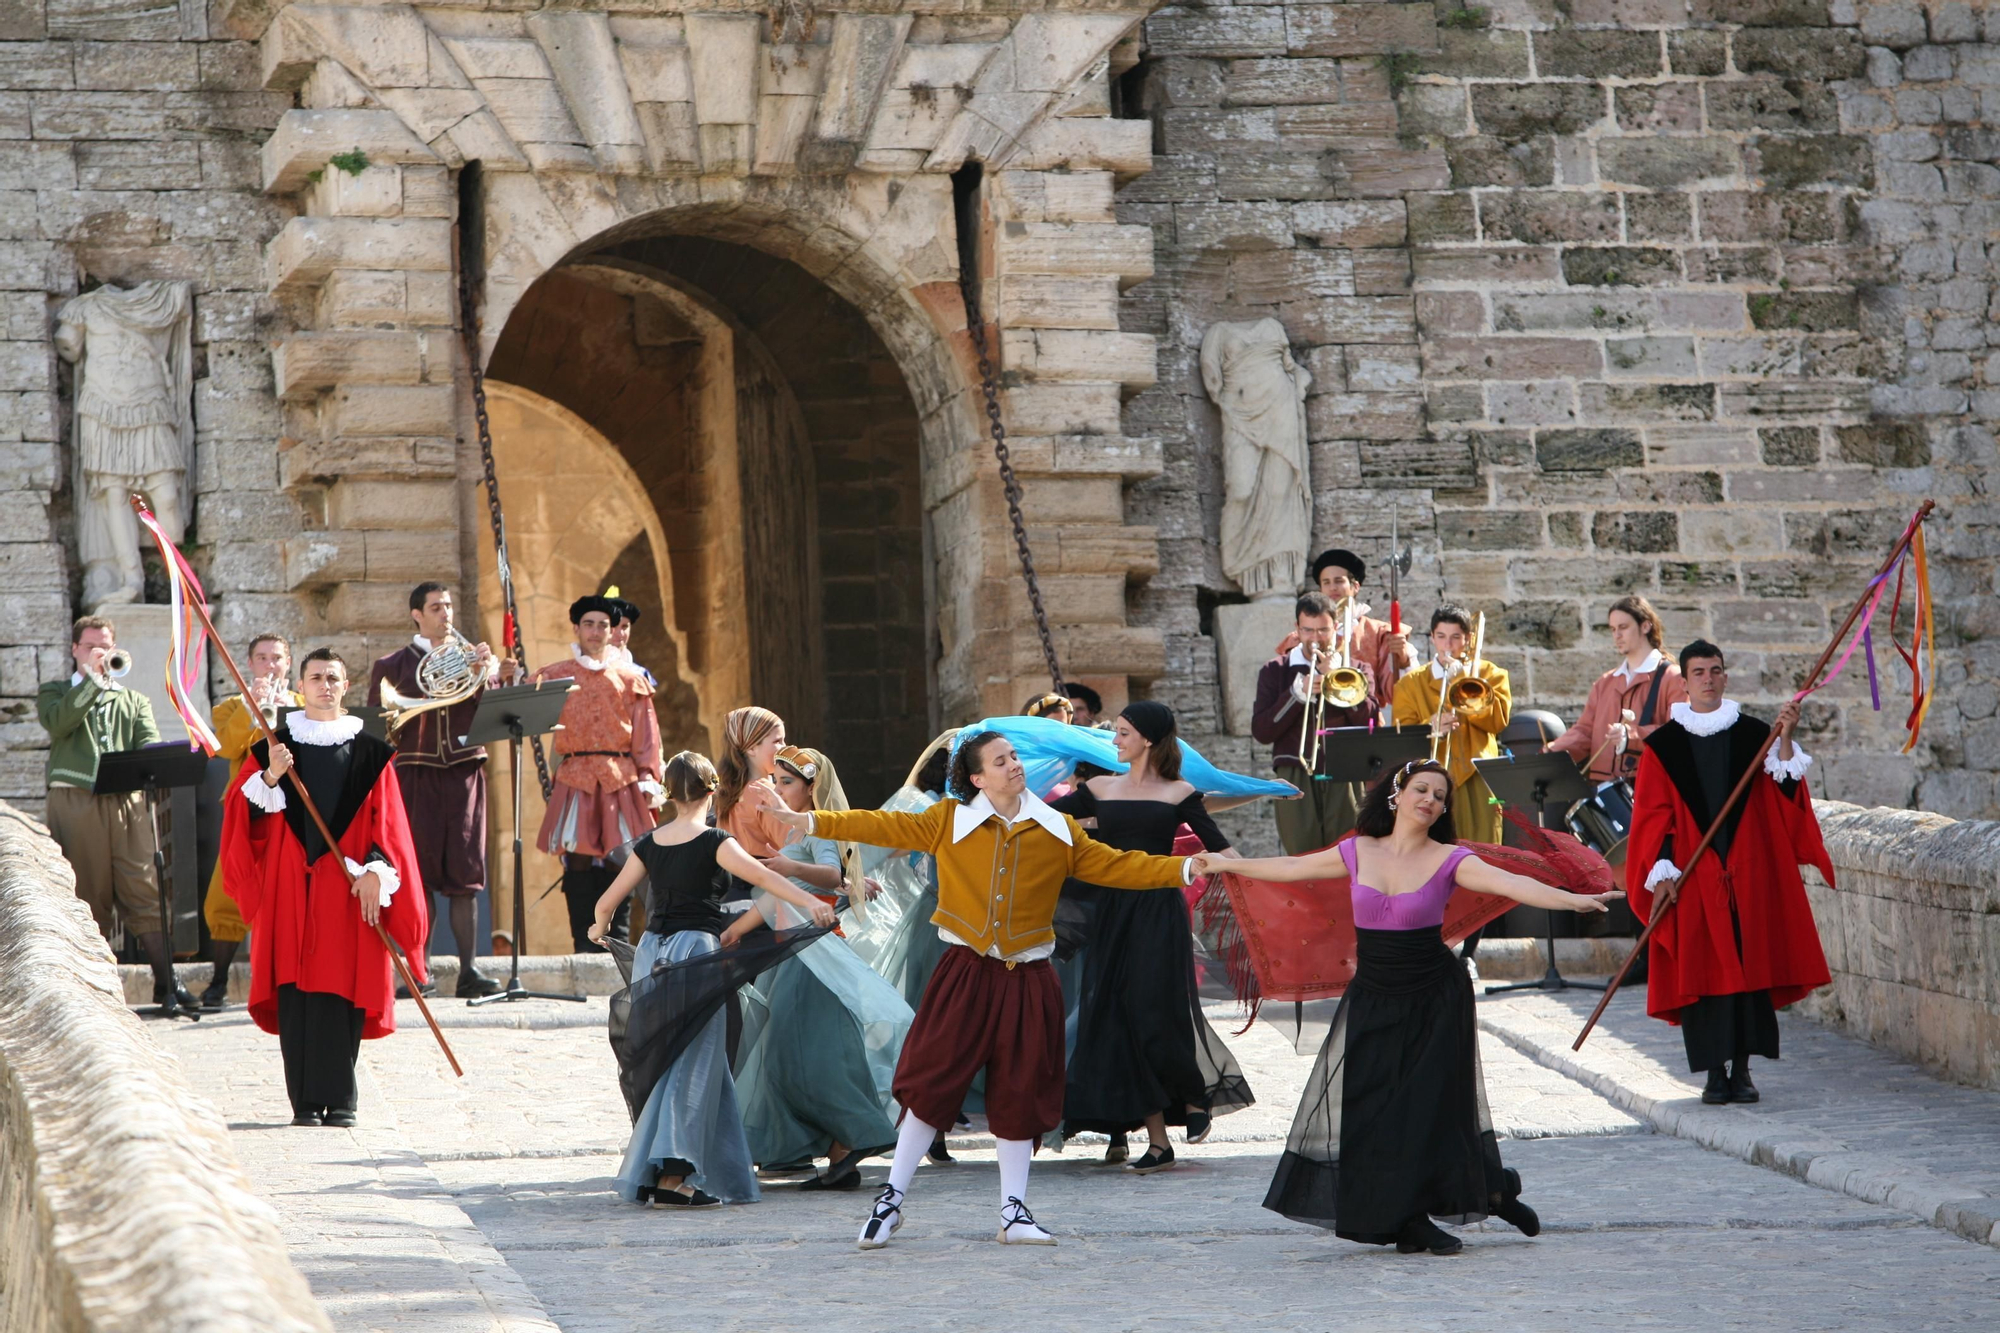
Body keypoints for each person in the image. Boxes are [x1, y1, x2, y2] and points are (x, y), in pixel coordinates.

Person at [764, 730, 1202, 1250]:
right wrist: (809, 819)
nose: (1014, 764)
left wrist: (1185, 866)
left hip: (1030, 978)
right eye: (1001, 760)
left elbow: (1118, 865)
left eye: (1014, 756)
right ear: (977, 778)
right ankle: (891, 1201)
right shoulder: (948, 821)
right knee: (930, 1084)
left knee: (1019, 1091)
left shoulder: (1057, 829)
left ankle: (1013, 1212)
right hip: (965, 972)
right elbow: (882, 824)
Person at [1192, 760, 1616, 1254]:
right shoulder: (1356, 851)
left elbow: (1513, 885)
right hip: (1374, 993)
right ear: (1397, 794)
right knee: (1372, 1106)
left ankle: (1415, 1219)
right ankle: (1496, 1190)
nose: (1430, 801)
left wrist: (1573, 902)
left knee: (1428, 1106)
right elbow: (1290, 868)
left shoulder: (1451, 859)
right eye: (1421, 789)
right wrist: (1228, 864)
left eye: (1439, 796)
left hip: (1436, 994)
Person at [588, 751, 836, 1209]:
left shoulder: (649, 843)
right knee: (697, 1061)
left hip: (652, 955)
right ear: (711, 791)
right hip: (694, 955)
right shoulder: (715, 841)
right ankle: (674, 1176)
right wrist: (812, 902)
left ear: (668, 793)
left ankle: (661, 1168)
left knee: (665, 1059)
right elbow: (763, 876)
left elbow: (606, 905)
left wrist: (598, 931)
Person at [220, 649, 429, 1127]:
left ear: (346, 684)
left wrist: (377, 872)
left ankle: (342, 1100)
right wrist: (271, 776)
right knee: (296, 992)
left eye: (333, 677)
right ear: (302, 684)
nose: (325, 685)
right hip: (289, 887)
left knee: (341, 988)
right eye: (315, 678)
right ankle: (305, 1104)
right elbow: (240, 816)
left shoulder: (371, 754)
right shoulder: (275, 748)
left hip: (346, 887)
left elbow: (389, 827)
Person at [1626, 640, 1833, 1106]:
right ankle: (1714, 1074)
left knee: (1748, 969)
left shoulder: (1753, 734)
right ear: (1684, 680)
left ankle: (1743, 1071)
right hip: (1695, 875)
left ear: (1725, 676)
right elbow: (1654, 814)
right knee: (1704, 973)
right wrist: (1661, 870)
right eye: (1698, 671)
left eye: (1715, 670)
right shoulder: (1663, 746)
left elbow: (1782, 793)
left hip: (1747, 870)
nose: (1708, 679)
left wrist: (1783, 739)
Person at [1049, 702, 1252, 1173]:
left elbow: (1219, 846)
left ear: (1147, 739)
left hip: (1159, 912)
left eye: (1122, 733)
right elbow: (1041, 821)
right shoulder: (1097, 788)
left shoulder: (1180, 791)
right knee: (1121, 1017)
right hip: (1113, 911)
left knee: (1156, 1010)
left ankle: (1192, 1097)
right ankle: (1158, 1140)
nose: (1114, 741)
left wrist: (1266, 879)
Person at [735, 746, 912, 1188]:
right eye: (776, 780)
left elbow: (831, 876)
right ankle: (835, 1147)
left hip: (814, 954)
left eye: (787, 782)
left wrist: (792, 867)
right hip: (793, 953)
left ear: (812, 787)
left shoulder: (816, 833)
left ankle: (852, 1138)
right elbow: (779, 894)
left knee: (809, 1053)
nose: (778, 789)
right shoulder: (797, 838)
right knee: (792, 1052)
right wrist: (735, 931)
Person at [37, 614, 193, 1017]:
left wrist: (157, 755)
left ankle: (167, 982)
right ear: (75, 650)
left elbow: (148, 746)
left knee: (144, 889)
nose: (99, 653)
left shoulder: (133, 699)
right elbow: (59, 723)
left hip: (126, 802)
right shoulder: (54, 692)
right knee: (87, 894)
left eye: (105, 646)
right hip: (76, 801)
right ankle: (92, 991)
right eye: (90, 646)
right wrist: (92, 681)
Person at [369, 582, 516, 999]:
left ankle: (470, 969)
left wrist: (486, 676)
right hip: (414, 775)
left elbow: (492, 715)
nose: (446, 614)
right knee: (420, 876)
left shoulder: (470, 658)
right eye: (436, 607)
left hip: (464, 772)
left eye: (449, 606)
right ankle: (419, 970)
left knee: (466, 876)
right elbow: (380, 725)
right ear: (417, 614)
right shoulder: (393, 665)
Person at [532, 594, 663, 952]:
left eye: (603, 625)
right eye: (588, 623)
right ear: (576, 628)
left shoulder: (631, 678)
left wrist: (650, 777)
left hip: (620, 777)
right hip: (574, 775)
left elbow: (647, 733)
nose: (595, 631)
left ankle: (615, 942)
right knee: (578, 860)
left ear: (612, 630)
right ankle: (582, 942)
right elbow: (520, 705)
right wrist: (506, 677)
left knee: (620, 859)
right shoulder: (555, 674)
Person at [201, 632, 301, 1010]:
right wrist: (252, 705)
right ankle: (219, 980)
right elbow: (225, 746)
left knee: (286, 895)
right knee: (228, 890)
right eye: (262, 658)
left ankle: (284, 984)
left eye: (277, 657)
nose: (270, 664)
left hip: (291, 813)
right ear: (250, 664)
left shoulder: (303, 704)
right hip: (246, 811)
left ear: (288, 663)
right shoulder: (229, 707)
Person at [1252, 591, 1377, 854]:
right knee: (1301, 855)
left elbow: (1370, 722)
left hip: (1345, 771)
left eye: (1323, 630)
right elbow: (1263, 731)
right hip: (1294, 770)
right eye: (1308, 631)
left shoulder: (1358, 669)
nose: (1316, 639)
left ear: (1336, 628)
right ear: (1297, 629)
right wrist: (1297, 694)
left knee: (1348, 855)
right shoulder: (1275, 670)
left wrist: (1337, 681)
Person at [1391, 605, 1512, 846]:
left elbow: (1498, 722)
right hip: (1432, 779)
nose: (1448, 645)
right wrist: (1430, 727)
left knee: (1486, 850)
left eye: (1456, 637)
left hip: (1479, 775)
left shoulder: (1491, 673)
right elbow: (1401, 736)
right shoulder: (1410, 684)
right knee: (1437, 849)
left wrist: (1462, 680)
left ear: (1468, 640)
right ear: (1433, 638)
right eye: (1441, 637)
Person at [1548, 595, 1687, 783]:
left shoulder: (1673, 678)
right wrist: (1551, 752)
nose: (1617, 635)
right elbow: (1584, 732)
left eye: (1623, 627)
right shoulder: (1604, 683)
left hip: (1650, 787)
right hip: (1604, 790)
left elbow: (1677, 734)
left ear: (1645, 626)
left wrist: (1630, 736)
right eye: (1613, 629)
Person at [1272, 548, 1415, 703]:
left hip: (1366, 719)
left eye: (1339, 581)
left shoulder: (1379, 633)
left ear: (1355, 587)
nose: (1333, 587)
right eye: (1326, 582)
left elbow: (1397, 696)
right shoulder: (1300, 638)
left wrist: (1404, 661)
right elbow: (1283, 690)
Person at [604, 590, 658, 688]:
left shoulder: (640, 674)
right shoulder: (581, 670)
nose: (620, 633)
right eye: (613, 626)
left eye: (624, 627)